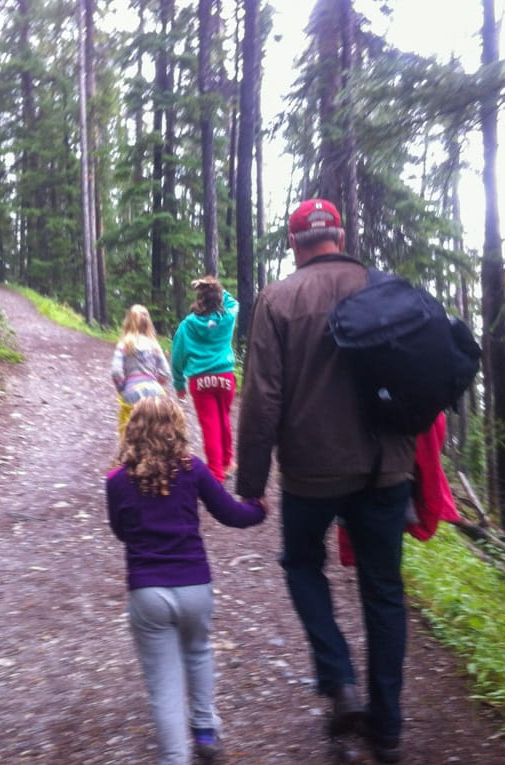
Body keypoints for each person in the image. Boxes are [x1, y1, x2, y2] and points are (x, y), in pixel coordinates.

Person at [235, 199, 415, 764]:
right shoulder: (383, 288)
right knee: (384, 590)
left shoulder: (278, 300)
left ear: (295, 243)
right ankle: (387, 728)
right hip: (386, 466)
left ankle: (339, 679)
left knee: (300, 563)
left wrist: (252, 480)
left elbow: (263, 395)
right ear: (340, 235)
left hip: (312, 470)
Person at [106, 395, 267, 765]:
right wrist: (258, 509)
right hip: (195, 587)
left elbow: (121, 531)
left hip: (147, 592)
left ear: (132, 431)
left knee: (164, 685)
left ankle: (175, 757)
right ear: (176, 430)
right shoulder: (191, 469)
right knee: (197, 653)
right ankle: (206, 732)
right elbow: (231, 514)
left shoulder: (116, 480)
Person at [170, 276, 239, 482]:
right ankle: (228, 462)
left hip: (200, 381)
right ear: (219, 299)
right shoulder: (227, 319)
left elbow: (177, 355)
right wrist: (216, 289)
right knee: (224, 419)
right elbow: (234, 303)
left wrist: (179, 382)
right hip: (225, 377)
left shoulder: (187, 325)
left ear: (199, 298)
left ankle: (215, 473)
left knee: (210, 425)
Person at [111, 304, 172, 437]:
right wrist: (156, 383)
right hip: (155, 392)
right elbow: (166, 372)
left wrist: (122, 388)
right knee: (156, 431)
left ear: (129, 322)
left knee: (129, 431)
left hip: (132, 392)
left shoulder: (124, 344)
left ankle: (132, 455)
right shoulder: (154, 345)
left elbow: (116, 372)